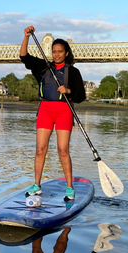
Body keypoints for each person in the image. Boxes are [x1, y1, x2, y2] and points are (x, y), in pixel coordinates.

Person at [20, 26, 86, 200]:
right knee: (40, 149)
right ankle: (37, 185)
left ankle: (69, 187)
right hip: (45, 111)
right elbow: (24, 56)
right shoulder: (43, 67)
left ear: (66, 53)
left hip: (64, 111)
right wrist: (26, 36)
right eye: (54, 51)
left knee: (63, 150)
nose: (56, 54)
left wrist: (68, 90)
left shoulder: (73, 72)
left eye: (60, 51)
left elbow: (81, 96)